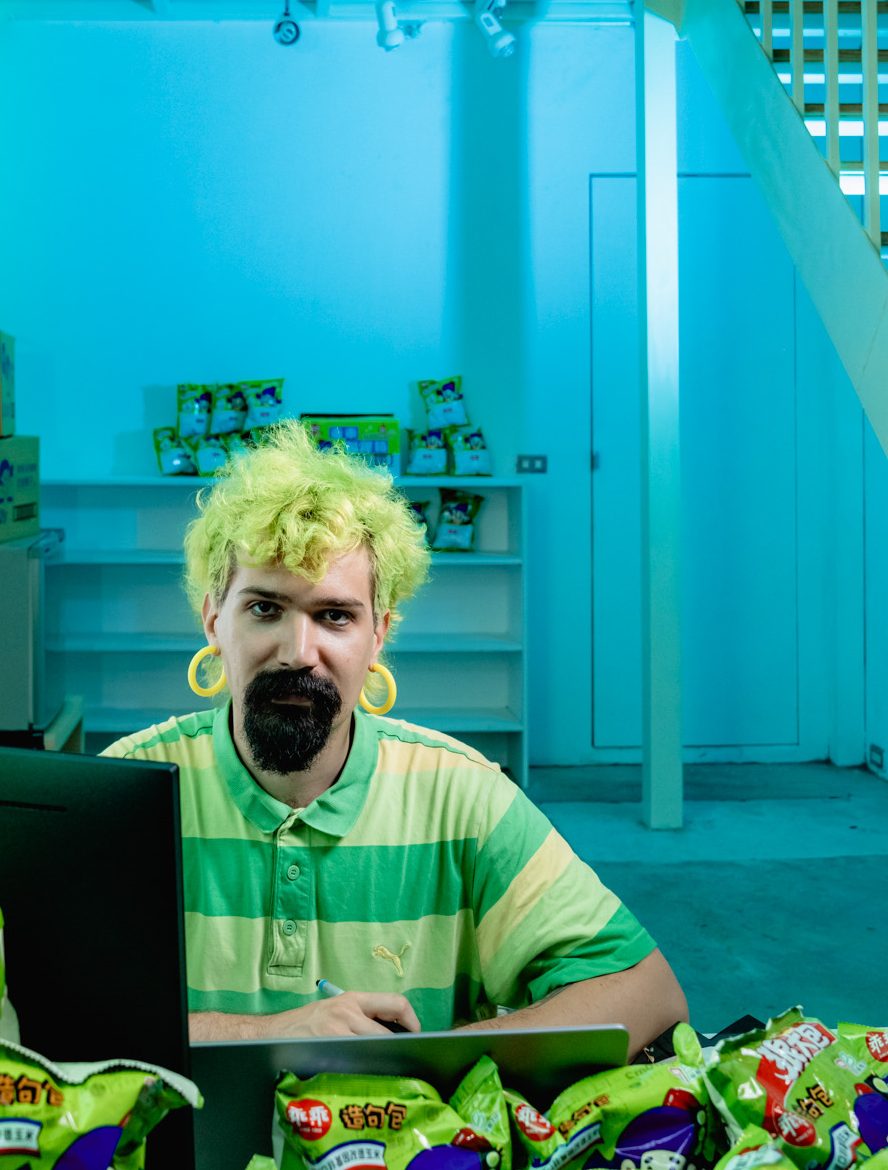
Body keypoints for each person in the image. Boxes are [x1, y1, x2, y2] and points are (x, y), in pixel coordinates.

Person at [101, 421, 687, 1055]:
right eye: (265, 608)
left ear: (378, 635)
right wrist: (274, 1034)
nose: (299, 652)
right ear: (214, 620)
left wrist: (418, 1062)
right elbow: (42, 1006)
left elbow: (645, 991)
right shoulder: (122, 791)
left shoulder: (464, 797)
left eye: (334, 615)